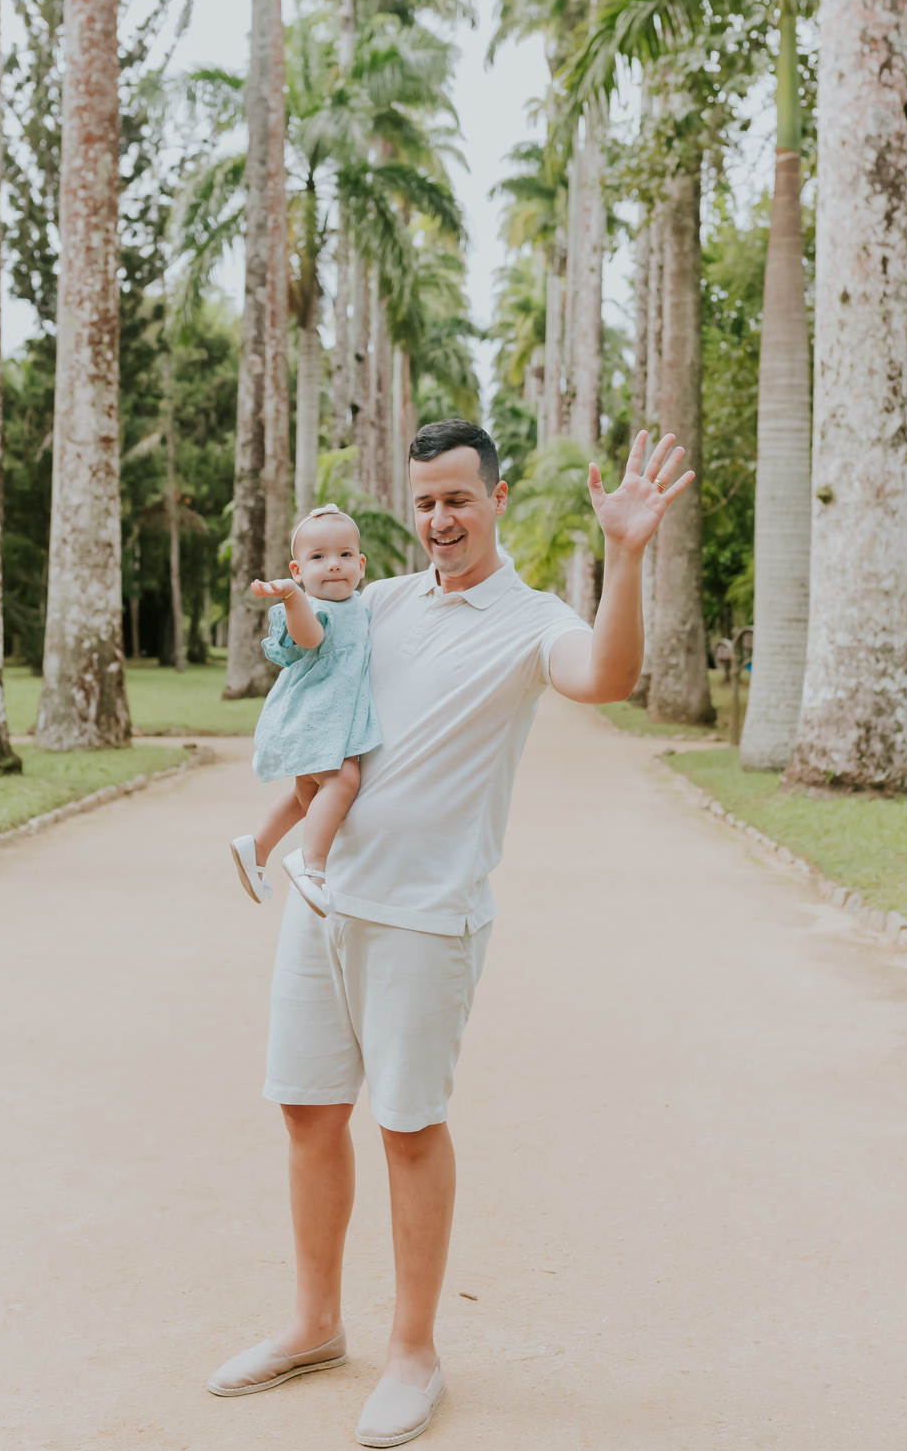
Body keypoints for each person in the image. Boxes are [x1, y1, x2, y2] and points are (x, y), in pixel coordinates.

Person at [209, 419, 693, 1447]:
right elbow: (307, 654)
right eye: (425, 501)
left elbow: (605, 677)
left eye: (458, 499)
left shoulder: (531, 620)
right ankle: (313, 1325)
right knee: (305, 1111)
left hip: (427, 922)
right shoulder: (378, 603)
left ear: (498, 500)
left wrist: (625, 554)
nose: (439, 519)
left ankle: (414, 1352)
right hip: (324, 903)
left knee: (409, 1127)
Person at [229, 503, 381, 918]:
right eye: (318, 558)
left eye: (345, 555)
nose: (334, 566)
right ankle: (311, 865)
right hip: (312, 719)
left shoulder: (361, 605)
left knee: (306, 795)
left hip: (327, 720)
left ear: (361, 564)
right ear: (297, 571)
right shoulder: (314, 607)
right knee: (344, 778)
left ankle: (256, 846)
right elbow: (310, 638)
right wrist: (293, 599)